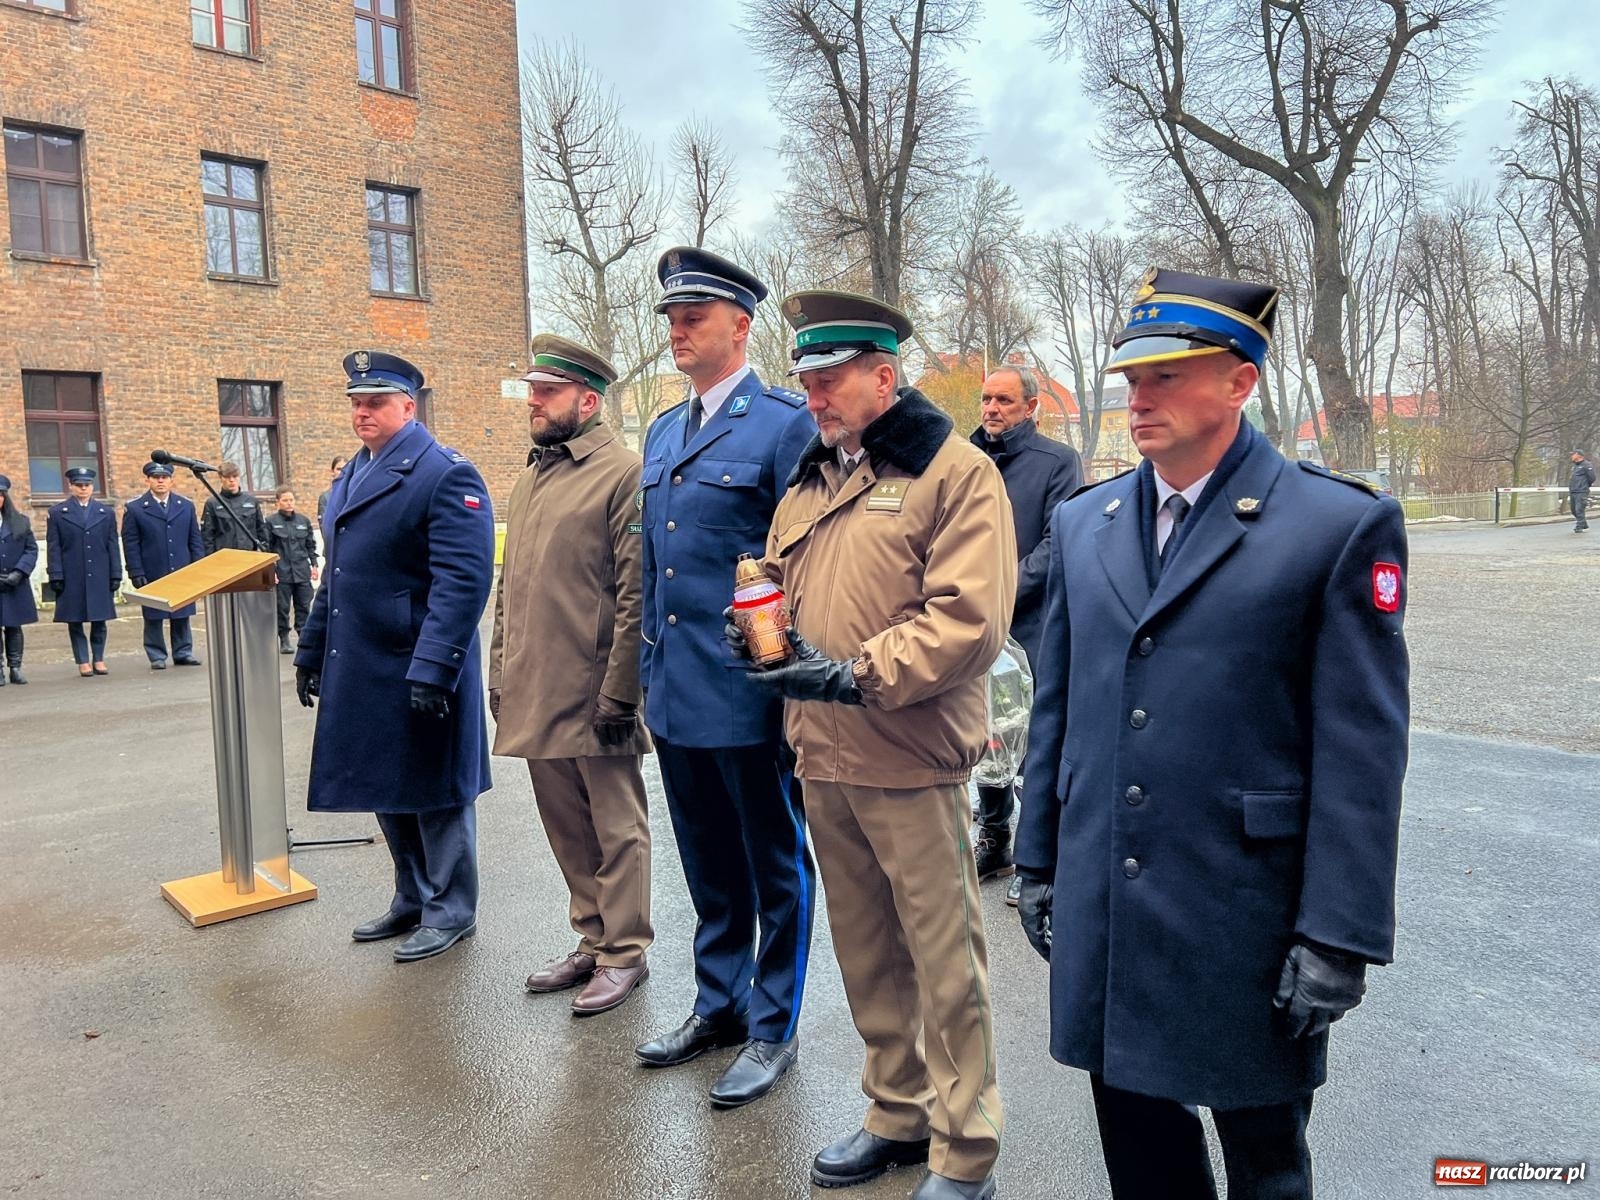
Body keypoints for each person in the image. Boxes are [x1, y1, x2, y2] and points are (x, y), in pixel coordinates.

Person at [1014, 268, 1410, 1200]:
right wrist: (1039, 860)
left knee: (1266, 1161)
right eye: (1131, 380)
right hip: (1110, 896)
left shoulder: (1334, 525)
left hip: (1246, 914)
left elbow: (1363, 753)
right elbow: (1057, 708)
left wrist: (1340, 933)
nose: (1138, 398)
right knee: (1141, 1153)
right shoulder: (1085, 522)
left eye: (1167, 377)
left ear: (1240, 382)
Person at [746, 291, 1014, 1200]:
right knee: (866, 952)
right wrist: (747, 633)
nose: (813, 398)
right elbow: (775, 587)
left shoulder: (954, 472)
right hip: (822, 753)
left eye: (829, 381)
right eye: (807, 381)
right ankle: (896, 1112)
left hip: (907, 750)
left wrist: (852, 673)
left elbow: (967, 623)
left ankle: (965, 1145)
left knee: (943, 964)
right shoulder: (814, 477)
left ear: (883, 377)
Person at [633, 247, 818, 1109]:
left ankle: (773, 1022)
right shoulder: (665, 431)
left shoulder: (783, 424)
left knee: (773, 865)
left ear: (741, 326)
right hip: (675, 692)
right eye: (671, 318)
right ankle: (720, 1002)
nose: (677, 330)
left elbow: (799, 563)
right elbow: (657, 568)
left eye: (694, 317)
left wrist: (779, 679)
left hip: (746, 692)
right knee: (707, 864)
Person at [294, 352, 495, 963]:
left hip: (418, 661)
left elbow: (462, 582)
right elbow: (339, 576)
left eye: (376, 401)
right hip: (364, 663)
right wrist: (310, 649)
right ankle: (411, 895)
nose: (362, 412)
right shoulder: (353, 474)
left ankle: (450, 909)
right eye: (356, 402)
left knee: (436, 792)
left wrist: (436, 667)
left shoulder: (444, 473)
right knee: (388, 785)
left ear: (410, 405)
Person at [490, 334, 653, 1016]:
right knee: (565, 824)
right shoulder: (532, 477)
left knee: (617, 828)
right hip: (536, 686)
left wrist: (620, 690)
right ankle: (591, 937)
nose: (533, 399)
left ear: (588, 401)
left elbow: (634, 591)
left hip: (593, 691)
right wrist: (499, 668)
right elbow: (512, 585)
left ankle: (625, 953)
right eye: (533, 389)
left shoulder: (621, 473)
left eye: (547, 391)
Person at [969, 365, 1083, 902]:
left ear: (1031, 407)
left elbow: (1058, 541)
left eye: (1004, 401)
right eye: (987, 399)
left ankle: (1035, 856)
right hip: (970, 620)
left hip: (1032, 621)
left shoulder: (1056, 462)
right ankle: (994, 836)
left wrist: (1003, 589)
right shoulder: (964, 460)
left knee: (1033, 737)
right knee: (984, 731)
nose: (991, 409)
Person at [121, 461, 205, 670]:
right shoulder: (135, 508)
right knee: (153, 615)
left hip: (181, 568)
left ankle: (183, 652)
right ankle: (156, 654)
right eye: (155, 477)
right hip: (153, 569)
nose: (160, 481)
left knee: (181, 613)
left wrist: (198, 567)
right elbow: (130, 543)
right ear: (147, 480)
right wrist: (136, 571)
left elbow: (194, 539)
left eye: (164, 477)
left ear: (171, 480)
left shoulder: (185, 506)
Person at [46, 467, 122, 678]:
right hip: (72, 574)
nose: (83, 489)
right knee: (75, 620)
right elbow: (54, 546)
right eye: (79, 485)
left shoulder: (104, 512)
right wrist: (56, 574)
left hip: (98, 572)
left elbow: (112, 545)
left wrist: (116, 573)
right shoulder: (58, 513)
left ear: (92, 487)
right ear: (71, 486)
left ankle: (98, 657)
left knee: (100, 619)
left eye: (87, 485)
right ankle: (82, 660)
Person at [265, 488, 318, 655]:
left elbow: (310, 545)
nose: (289, 503)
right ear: (277, 502)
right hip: (282, 572)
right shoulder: (271, 522)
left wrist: (314, 565)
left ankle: (303, 637)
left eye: (291, 500)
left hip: (301, 570)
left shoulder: (303, 521)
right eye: (285, 500)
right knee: (282, 607)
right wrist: (270, 571)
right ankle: (284, 638)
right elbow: (267, 548)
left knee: (303, 606)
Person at [0, 474, 38, 686]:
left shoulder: (20, 522)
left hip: (15, 582)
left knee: (14, 626)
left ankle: (15, 667)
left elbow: (31, 550)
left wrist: (19, 572)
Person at [200, 462, 269, 555]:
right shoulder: (213, 503)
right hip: (224, 558)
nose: (231, 480)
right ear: (221, 478)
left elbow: (262, 530)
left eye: (235, 476)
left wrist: (264, 552)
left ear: (239, 477)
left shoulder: (251, 502)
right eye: (227, 477)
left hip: (250, 556)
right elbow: (207, 536)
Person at [317, 456, 348, 526]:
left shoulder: (353, 493)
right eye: (339, 469)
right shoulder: (325, 497)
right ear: (332, 471)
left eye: (345, 469)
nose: (341, 472)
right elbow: (324, 525)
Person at [1569, 450, 1594, 532]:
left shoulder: (1587, 465)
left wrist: (1585, 485)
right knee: (1573, 510)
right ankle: (1583, 523)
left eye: (1573, 454)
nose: (1572, 456)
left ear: (1579, 456)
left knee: (1579, 509)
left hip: (1581, 491)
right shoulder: (1575, 466)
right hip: (1574, 491)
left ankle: (1579, 527)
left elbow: (1592, 478)